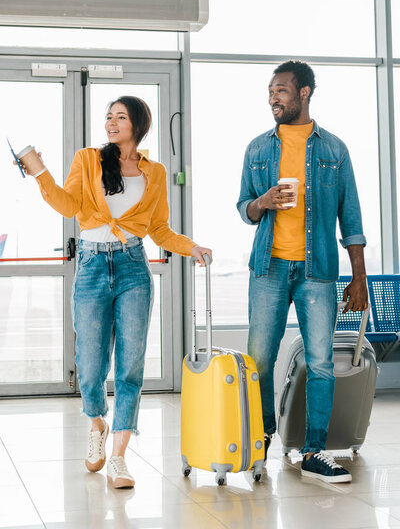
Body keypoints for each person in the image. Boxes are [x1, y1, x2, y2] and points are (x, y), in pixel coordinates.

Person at [18, 95, 212, 489]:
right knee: (89, 367)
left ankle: (120, 457)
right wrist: (40, 173)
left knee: (130, 366)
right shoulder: (88, 159)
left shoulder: (154, 173)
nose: (111, 122)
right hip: (91, 266)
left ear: (138, 125)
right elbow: (69, 205)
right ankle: (97, 423)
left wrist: (191, 246)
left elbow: (158, 229)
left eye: (120, 117)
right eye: (108, 117)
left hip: (133, 268)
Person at [237, 61, 368, 483]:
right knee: (258, 359)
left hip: (318, 272)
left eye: (281, 91)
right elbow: (244, 208)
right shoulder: (258, 149)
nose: (273, 98)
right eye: (270, 91)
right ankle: (262, 441)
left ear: (305, 93)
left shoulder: (334, 150)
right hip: (268, 269)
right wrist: (264, 202)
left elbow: (352, 220)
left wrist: (360, 277)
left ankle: (313, 452)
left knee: (321, 362)